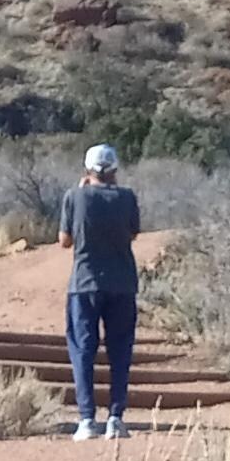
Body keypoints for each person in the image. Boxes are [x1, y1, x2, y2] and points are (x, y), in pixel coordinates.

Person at [60, 140, 144, 439]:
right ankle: (116, 418)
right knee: (120, 351)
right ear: (115, 170)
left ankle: (86, 419)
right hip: (122, 283)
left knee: (83, 349)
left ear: (87, 168)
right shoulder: (127, 197)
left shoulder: (75, 196)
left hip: (84, 283)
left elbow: (64, 240)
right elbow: (133, 233)